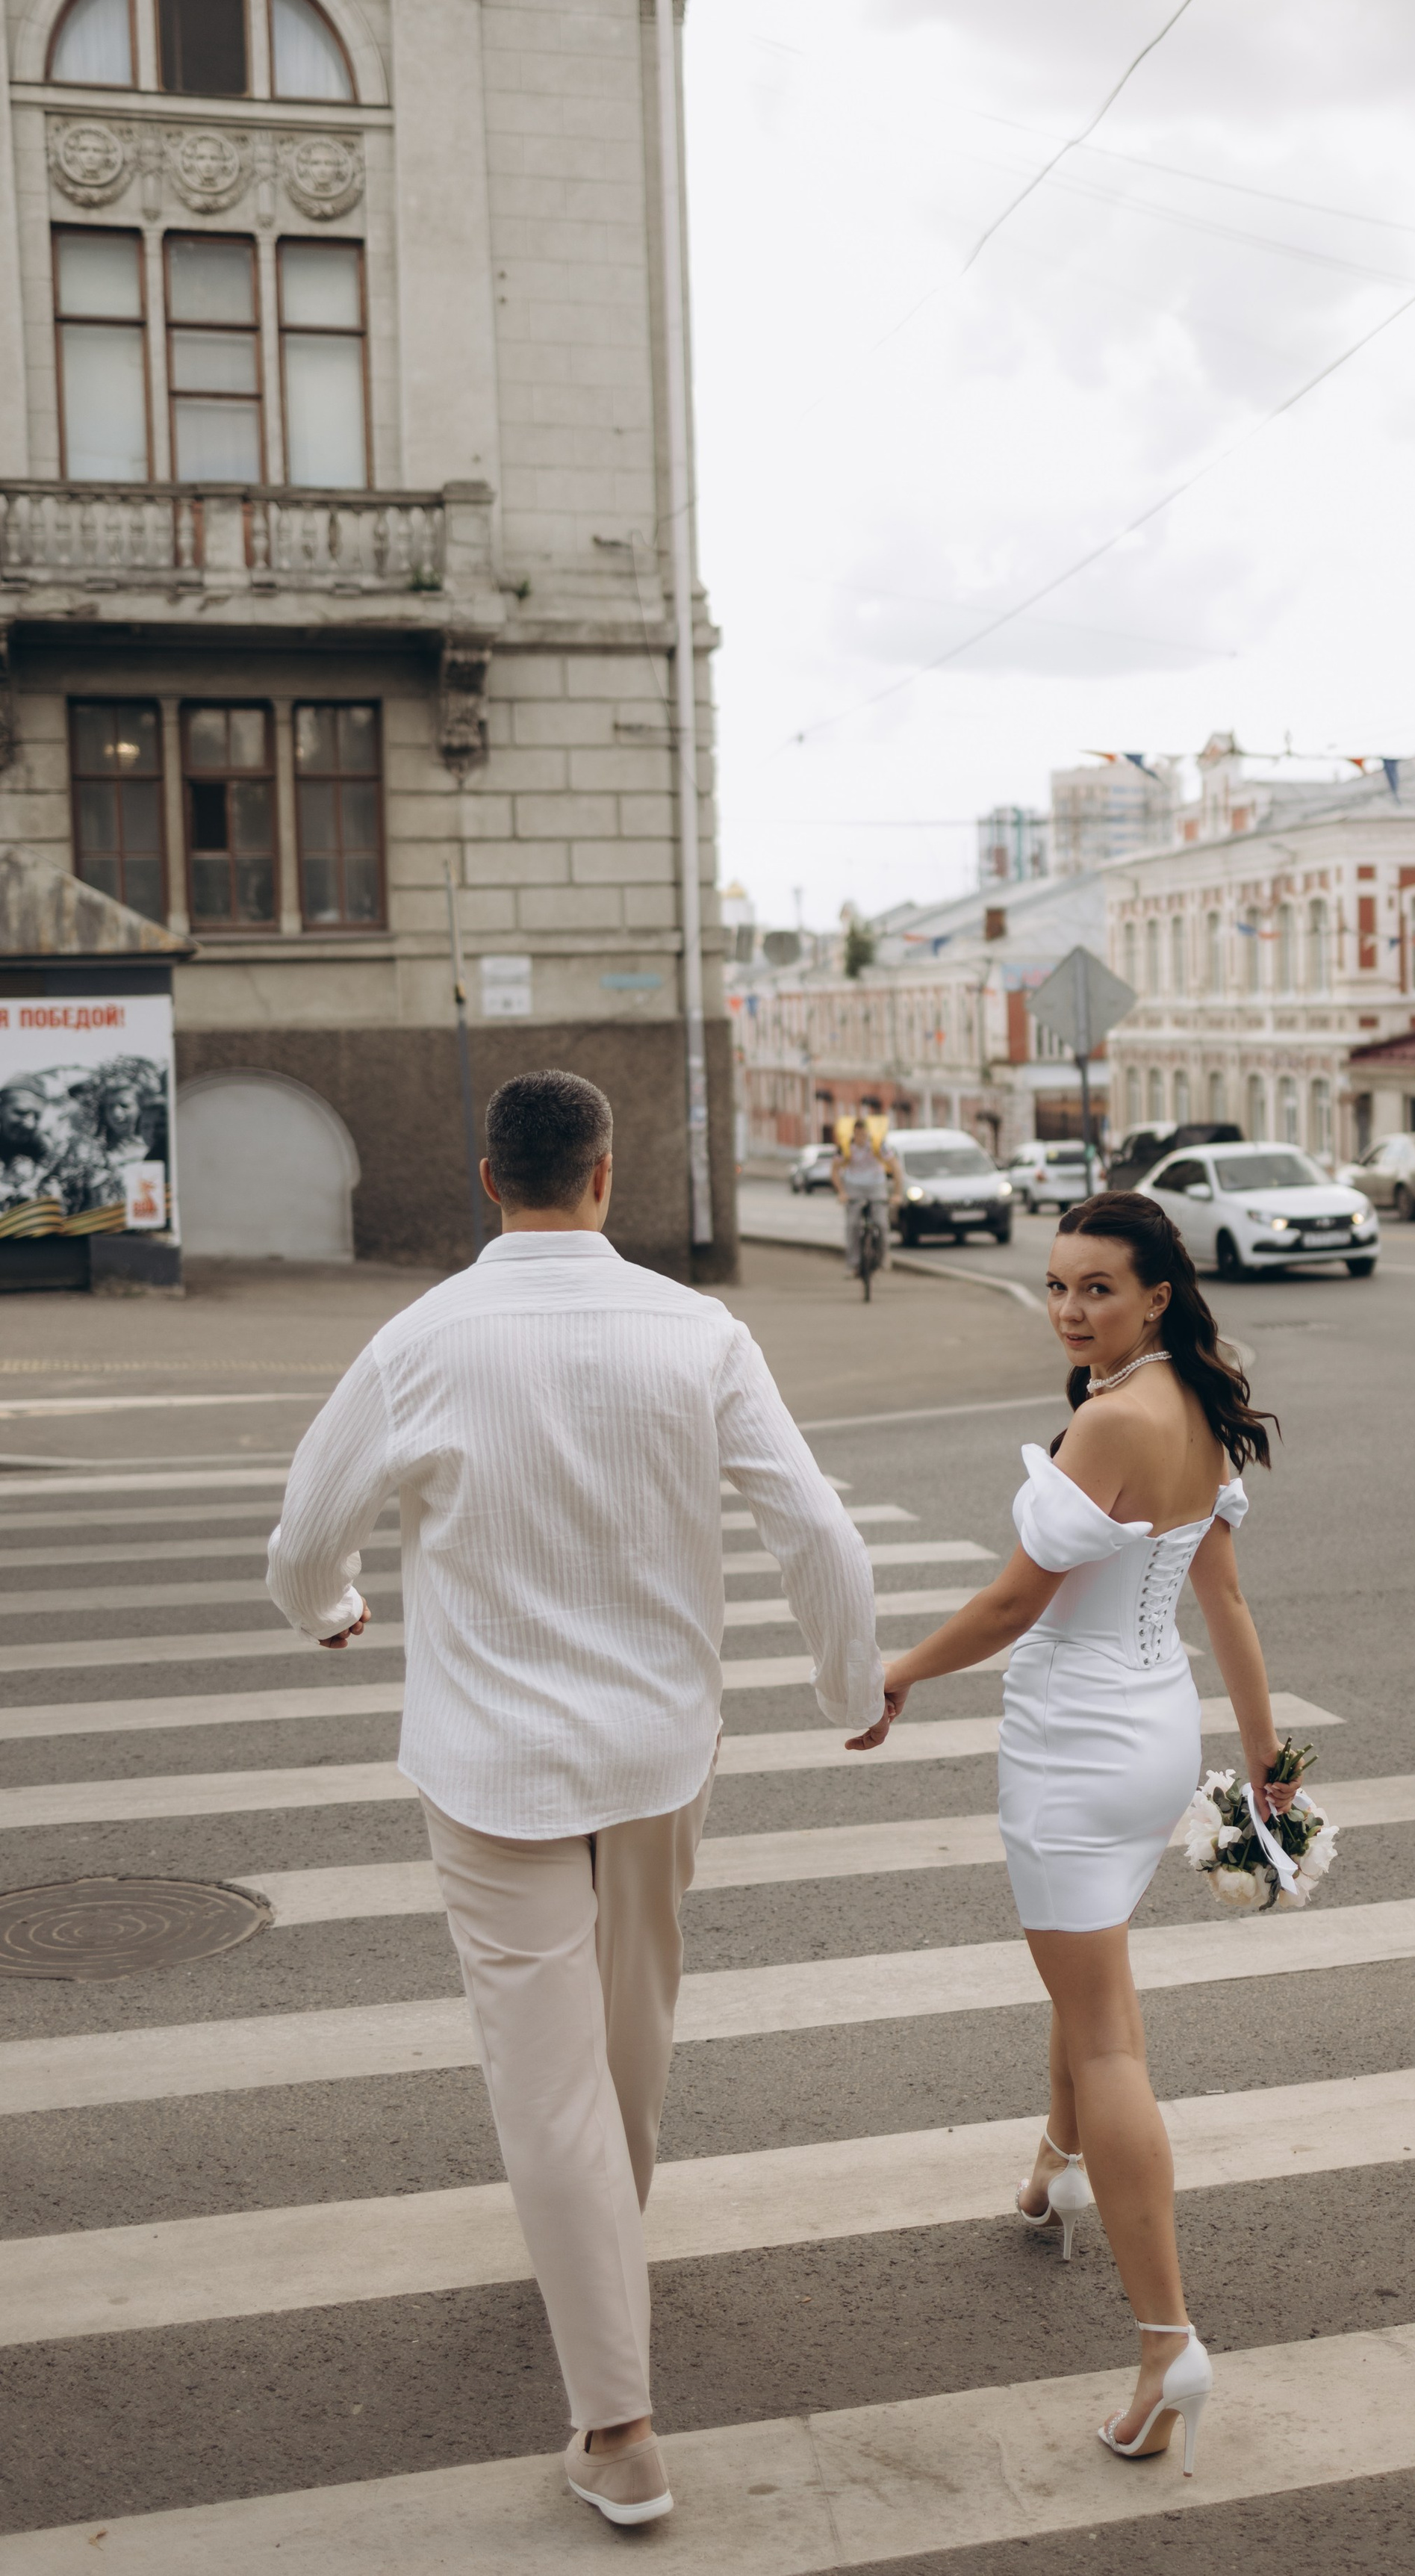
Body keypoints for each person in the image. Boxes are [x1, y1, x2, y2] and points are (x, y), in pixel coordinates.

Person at [267, 1070, 883, 2530]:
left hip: (491, 1768)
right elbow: (817, 1529)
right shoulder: (698, 1332)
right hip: (660, 1752)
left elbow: (302, 1538)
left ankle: (619, 2429)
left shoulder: (420, 1342)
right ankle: (602, 2235)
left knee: (543, 2078)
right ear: (605, 1177)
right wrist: (850, 1687)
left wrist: (331, 1609)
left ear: (490, 1179)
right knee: (631, 2031)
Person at [847, 1190, 1289, 2477]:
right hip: (1154, 1735)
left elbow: (1011, 1606)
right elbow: (1226, 1601)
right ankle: (1057, 2168)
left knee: (1108, 2037)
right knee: (1087, 1971)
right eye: (1056, 1286)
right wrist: (1267, 1764)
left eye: (1097, 1288)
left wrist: (897, 1674)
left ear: (1157, 1293)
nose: (1070, 1310)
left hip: (1073, 1750)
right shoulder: (1196, 1398)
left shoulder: (1110, 1420)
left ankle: (1166, 2344)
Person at [832, 1114, 898, 1277]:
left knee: (881, 1223)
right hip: (853, 1186)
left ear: (868, 1133)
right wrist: (842, 1193)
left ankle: (883, 1257)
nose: (861, 1138)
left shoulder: (878, 1145)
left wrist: (897, 1194)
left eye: (864, 1134)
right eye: (858, 1134)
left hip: (876, 1185)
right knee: (853, 1225)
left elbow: (896, 1168)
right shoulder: (846, 1146)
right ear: (854, 1133)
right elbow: (834, 1170)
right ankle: (853, 1264)